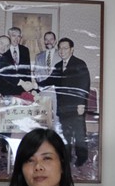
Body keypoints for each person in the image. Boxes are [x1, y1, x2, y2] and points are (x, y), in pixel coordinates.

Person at [34, 37, 91, 166]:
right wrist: (36, 86)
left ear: (72, 49)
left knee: (79, 133)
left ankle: (82, 158)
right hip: (63, 106)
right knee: (65, 133)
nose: (62, 51)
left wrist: (81, 104)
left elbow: (84, 85)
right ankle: (67, 157)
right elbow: (49, 80)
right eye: (60, 48)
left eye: (65, 48)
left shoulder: (79, 64)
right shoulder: (58, 66)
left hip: (76, 106)